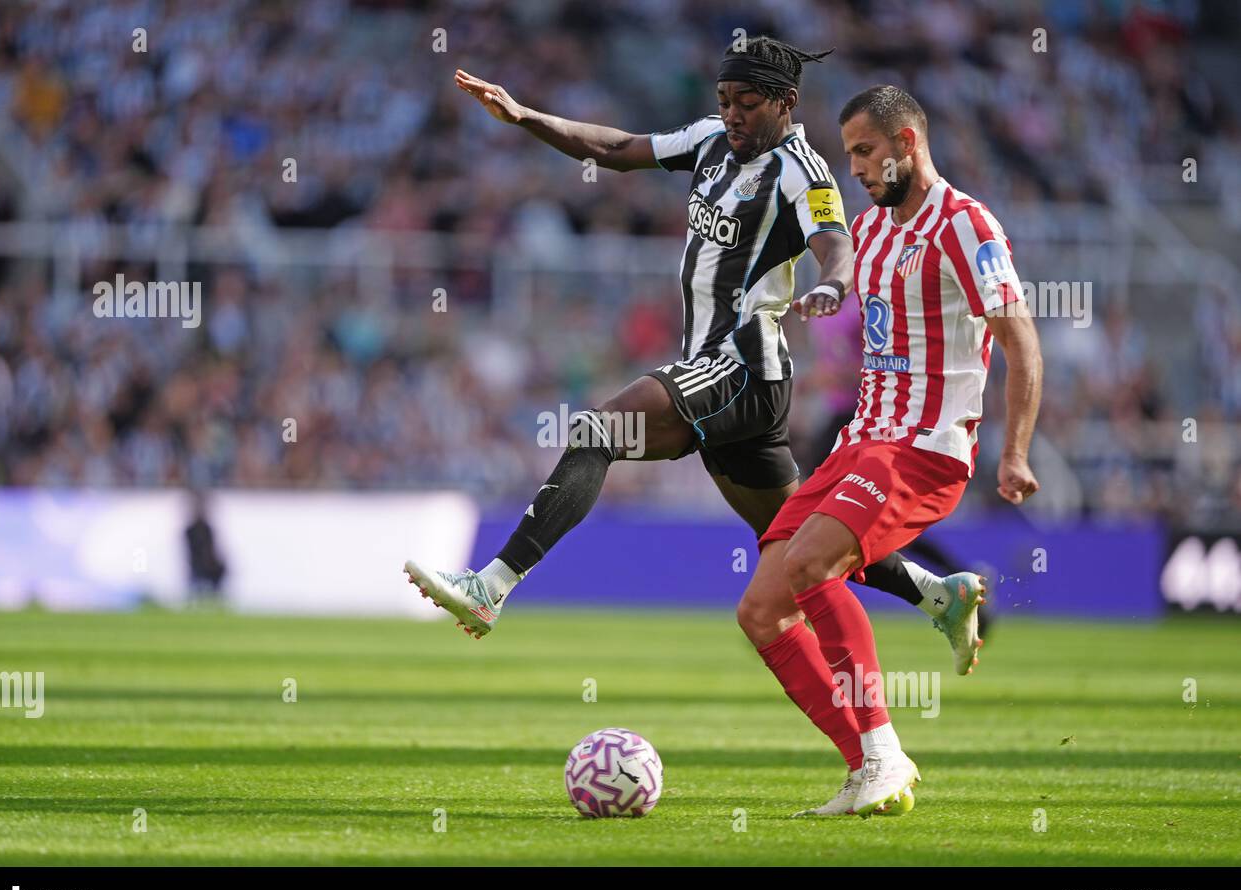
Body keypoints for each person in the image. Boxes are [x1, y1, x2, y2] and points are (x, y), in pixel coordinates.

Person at [406, 40, 983, 672]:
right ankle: (937, 594)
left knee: (600, 431)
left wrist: (831, 286)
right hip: (723, 376)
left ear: (784, 103)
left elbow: (834, 243)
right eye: (724, 101)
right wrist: (526, 117)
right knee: (787, 539)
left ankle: (490, 585)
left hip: (744, 364)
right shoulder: (710, 140)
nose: (732, 114)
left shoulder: (804, 173)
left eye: (746, 103)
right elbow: (617, 148)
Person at [736, 85, 1043, 817]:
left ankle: (884, 751)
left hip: (924, 449)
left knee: (812, 566)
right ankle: (872, 755)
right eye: (849, 157)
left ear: (908, 141)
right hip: (861, 441)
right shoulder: (872, 231)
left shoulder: (965, 225)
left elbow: (1020, 335)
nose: (858, 169)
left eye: (867, 152)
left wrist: (1017, 451)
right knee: (762, 609)